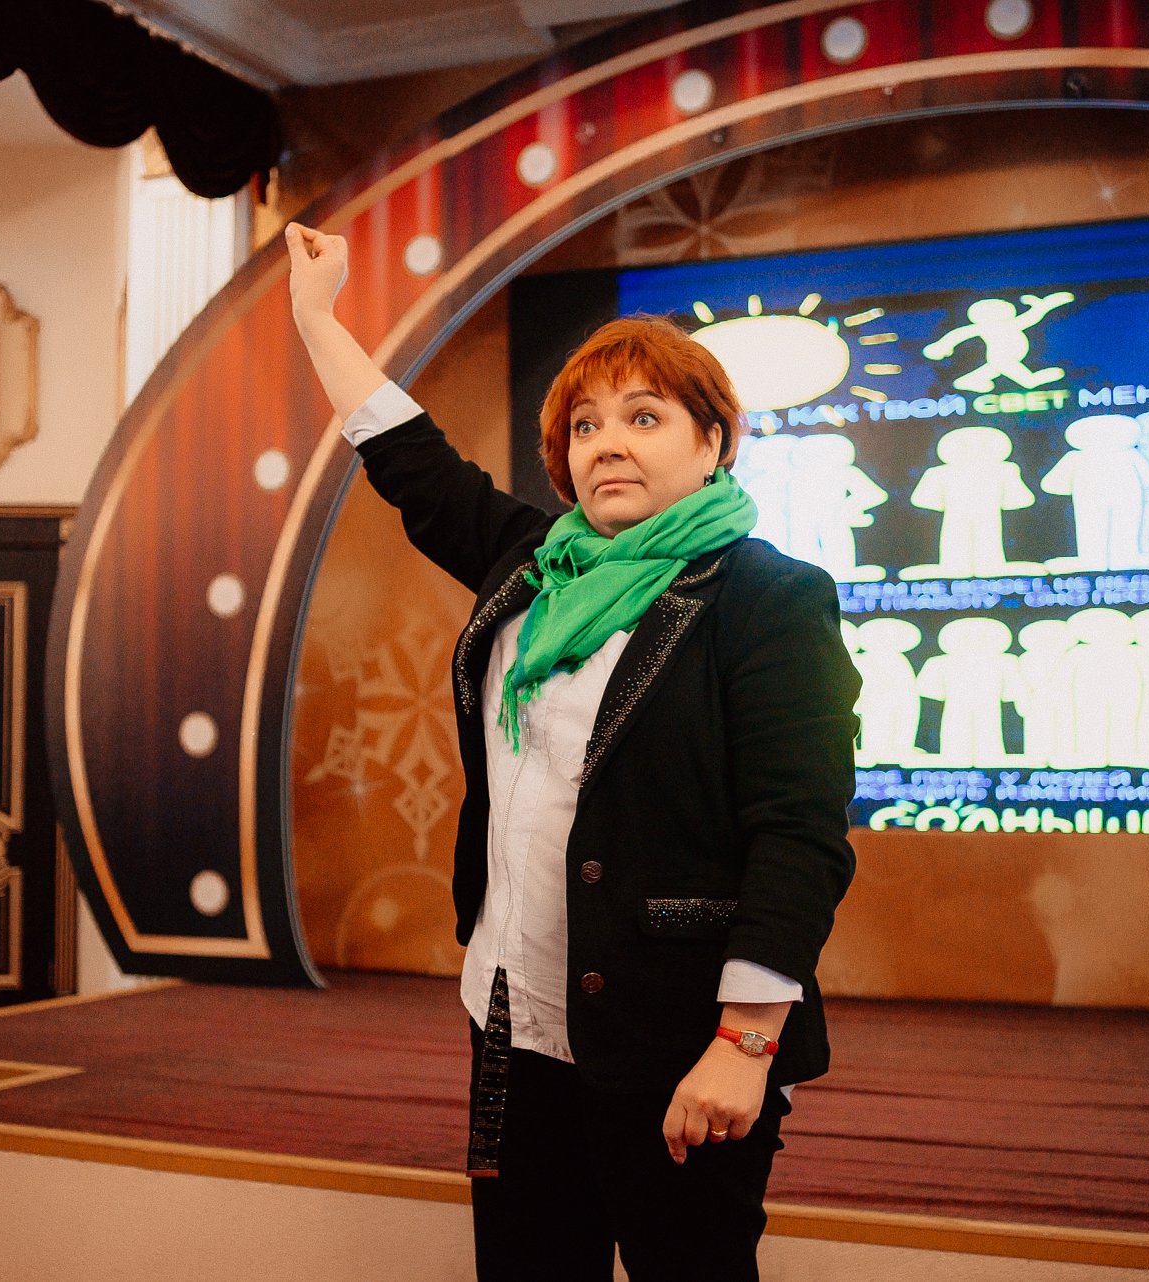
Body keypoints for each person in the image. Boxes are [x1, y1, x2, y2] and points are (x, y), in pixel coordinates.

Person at [285, 222, 860, 1281]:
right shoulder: (533, 568)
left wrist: (745, 1044)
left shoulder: (768, 596)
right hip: (513, 1020)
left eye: (645, 417)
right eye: (586, 425)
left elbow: (800, 834)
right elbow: (410, 459)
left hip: (678, 1034)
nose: (608, 443)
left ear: (713, 444)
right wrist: (316, 316)